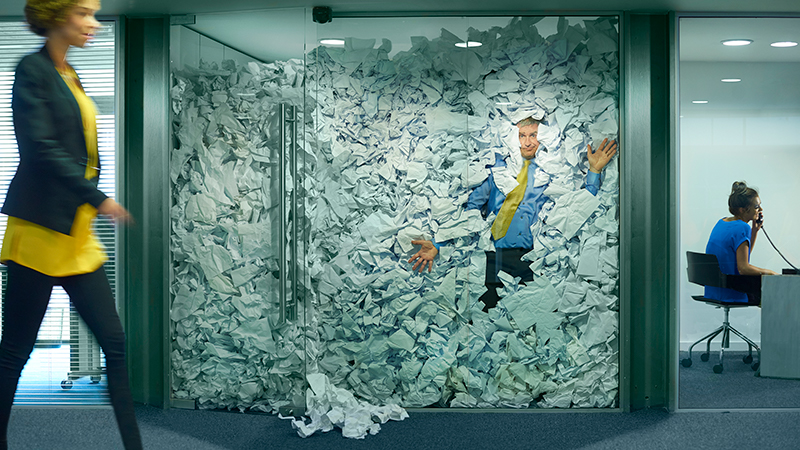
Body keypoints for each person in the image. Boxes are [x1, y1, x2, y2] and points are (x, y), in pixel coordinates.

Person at [0, 0, 142, 448]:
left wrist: (92, 202)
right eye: (83, 13)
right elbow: (39, 148)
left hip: (77, 237)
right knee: (14, 354)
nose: (93, 23)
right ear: (57, 15)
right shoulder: (33, 70)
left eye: (95, 14)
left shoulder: (71, 75)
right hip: (40, 232)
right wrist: (98, 198)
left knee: (115, 344)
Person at [408, 116, 618, 310]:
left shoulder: (554, 174)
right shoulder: (497, 170)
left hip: (533, 259)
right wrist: (439, 243)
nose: (527, 142)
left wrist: (595, 171)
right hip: (493, 257)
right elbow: (470, 211)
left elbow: (576, 208)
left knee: (530, 326)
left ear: (543, 137)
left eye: (533, 135)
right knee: (488, 318)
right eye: (522, 136)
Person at [704, 181, 777, 303]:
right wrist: (770, 272)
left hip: (714, 289)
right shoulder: (742, 227)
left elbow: (743, 257)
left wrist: (754, 231)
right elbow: (743, 268)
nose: (760, 209)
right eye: (756, 206)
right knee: (775, 290)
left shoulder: (721, 222)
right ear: (743, 210)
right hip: (731, 290)